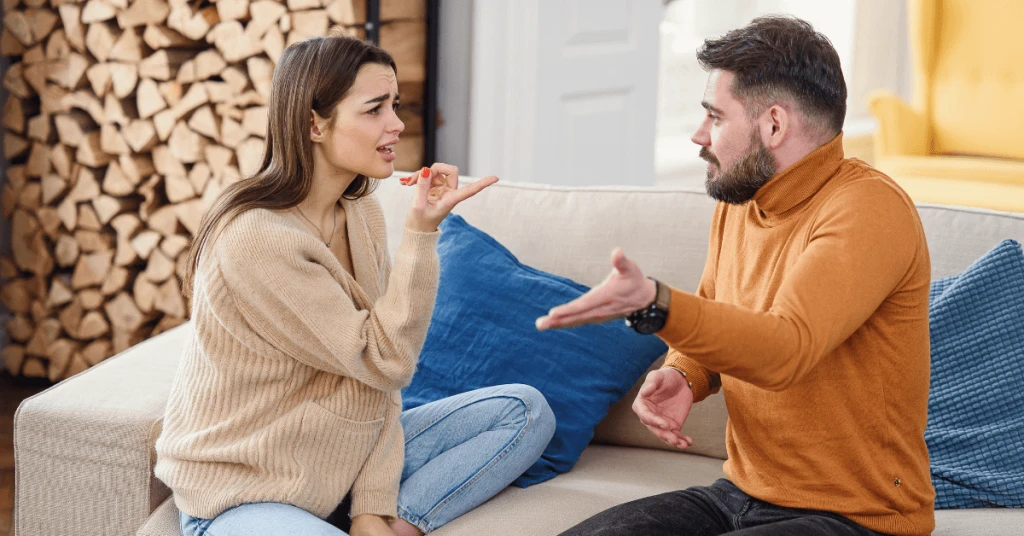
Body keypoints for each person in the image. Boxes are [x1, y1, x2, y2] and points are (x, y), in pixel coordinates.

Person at [537, 16, 934, 536]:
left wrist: (658, 305)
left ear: (773, 125)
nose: (699, 136)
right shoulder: (741, 200)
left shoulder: (867, 210)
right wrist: (684, 374)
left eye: (714, 117)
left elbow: (785, 349)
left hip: (857, 518)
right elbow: (719, 312)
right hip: (740, 494)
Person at [155, 34, 556, 536]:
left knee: (525, 411)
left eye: (395, 105)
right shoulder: (259, 239)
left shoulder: (358, 209)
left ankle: (396, 525)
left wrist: (374, 504)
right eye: (374, 109)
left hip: (336, 465)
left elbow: (378, 385)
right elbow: (384, 358)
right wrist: (421, 233)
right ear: (313, 124)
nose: (397, 124)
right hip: (246, 491)